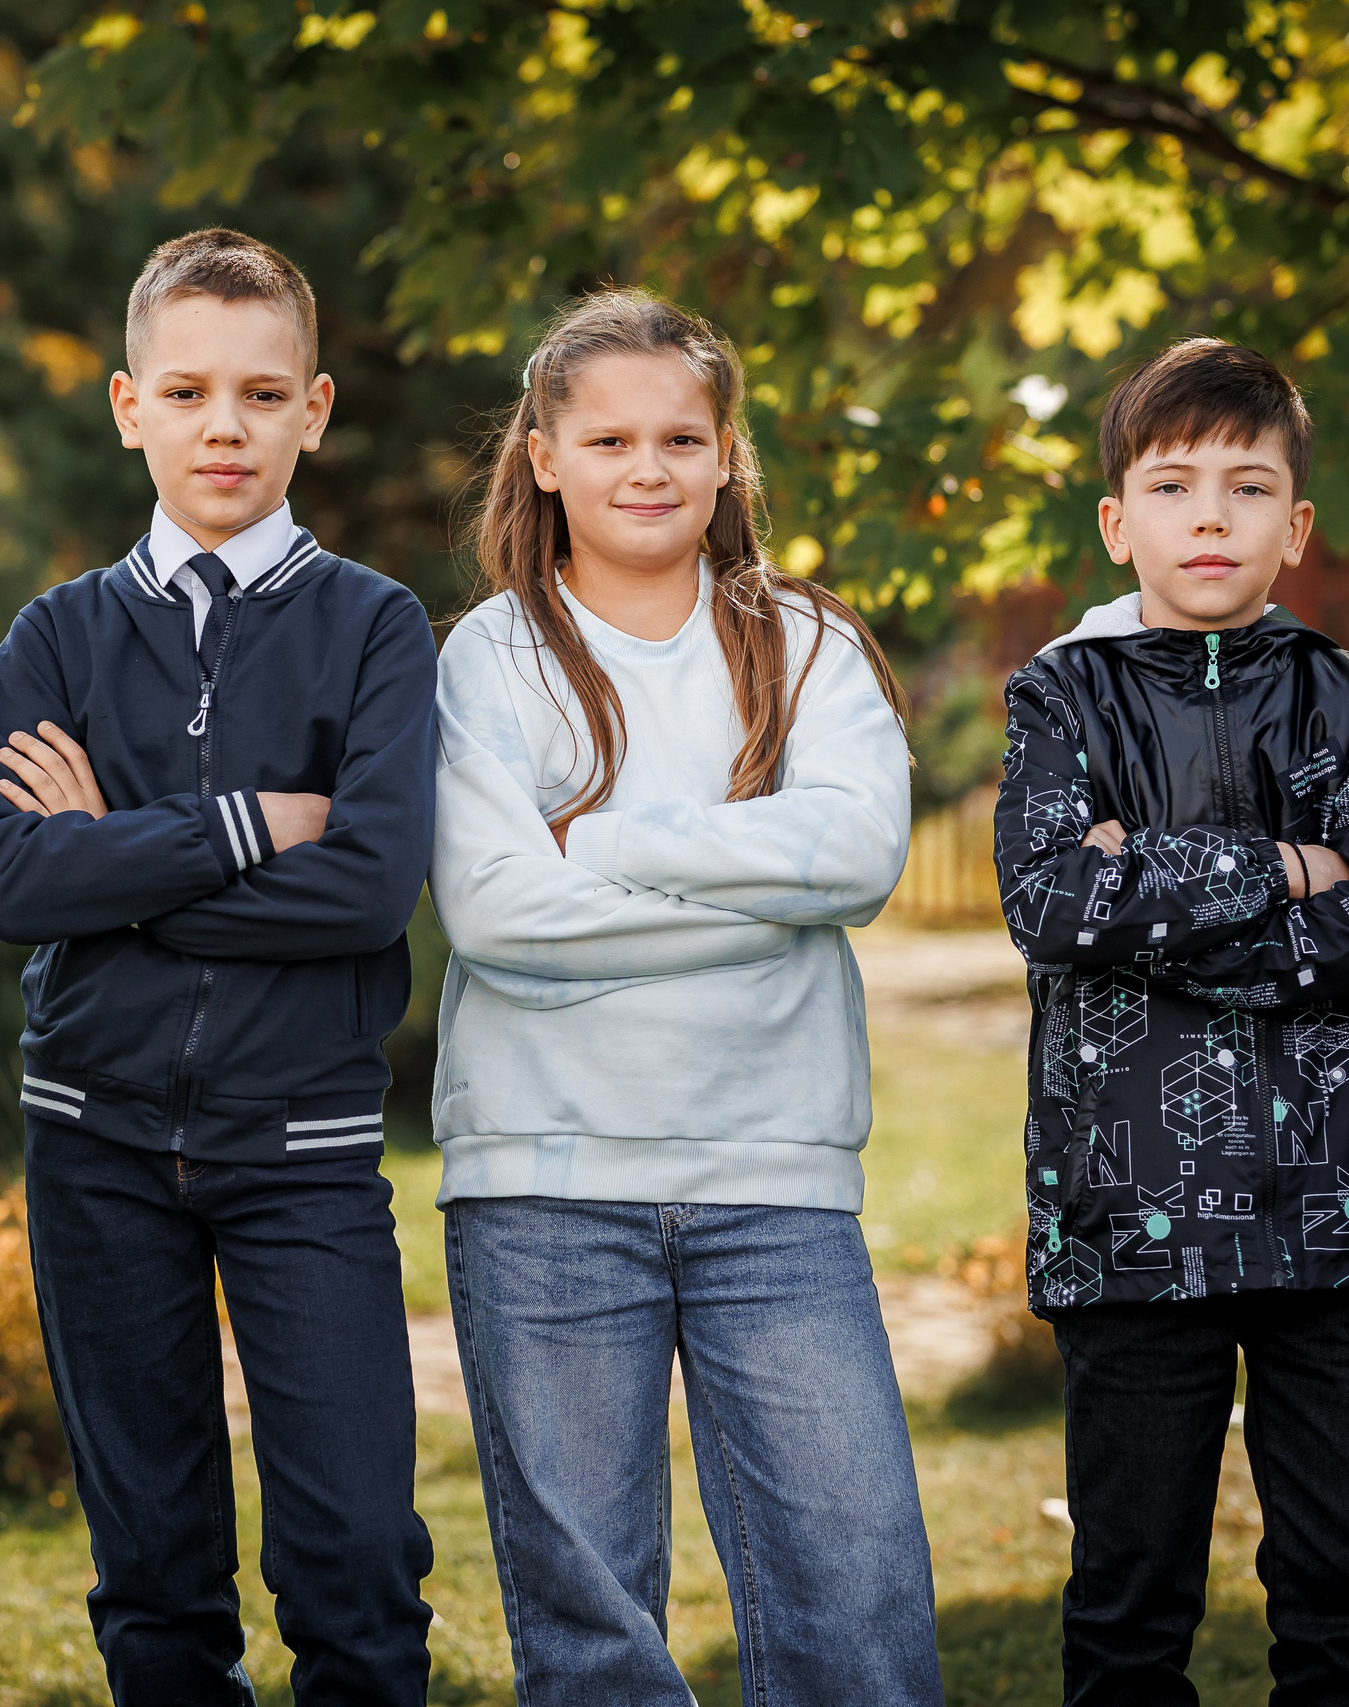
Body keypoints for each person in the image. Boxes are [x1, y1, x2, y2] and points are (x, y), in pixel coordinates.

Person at [427, 289, 941, 1706]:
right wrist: (757, 903)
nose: (644, 467)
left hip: (775, 1182)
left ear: (726, 457)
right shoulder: (489, 658)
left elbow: (855, 853)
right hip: (543, 1188)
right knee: (594, 1630)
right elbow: (496, 912)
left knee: (859, 1598)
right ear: (543, 456)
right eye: (606, 438)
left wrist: (613, 839)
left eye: (678, 435)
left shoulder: (808, 643)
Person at [0, 228, 438, 1706]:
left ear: (317, 406)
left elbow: (364, 892)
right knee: (155, 1572)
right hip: (95, 1145)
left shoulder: (374, 626)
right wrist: (239, 827)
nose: (222, 424)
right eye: (187, 391)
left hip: (302, 1147)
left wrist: (125, 861)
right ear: (127, 405)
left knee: (356, 1552)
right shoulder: (57, 635)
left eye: (260, 391)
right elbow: (10, 877)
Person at [993, 337, 1349, 1705]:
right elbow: (1058, 905)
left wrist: (1155, 887)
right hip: (1131, 1216)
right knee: (1129, 1607)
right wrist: (1288, 866)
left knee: (1346, 1596)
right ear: (1116, 521)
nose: (1210, 514)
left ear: (1294, 527)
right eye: (1174, 482)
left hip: (1338, 1213)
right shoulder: (1059, 693)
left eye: (1248, 486)